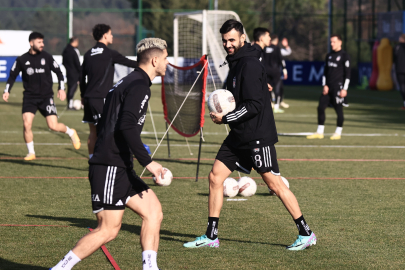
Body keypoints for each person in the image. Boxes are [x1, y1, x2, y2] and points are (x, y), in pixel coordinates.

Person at [183, 19, 316, 251]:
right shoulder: (237, 61)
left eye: (232, 40)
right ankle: (211, 235)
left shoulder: (249, 64)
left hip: (257, 135)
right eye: (225, 41)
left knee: (274, 185)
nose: (228, 44)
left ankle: (306, 233)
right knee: (215, 178)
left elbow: (254, 105)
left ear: (242, 38)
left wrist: (225, 118)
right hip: (239, 136)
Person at [49, 38, 168, 270]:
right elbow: (126, 126)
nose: (166, 63)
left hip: (119, 165)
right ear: (155, 60)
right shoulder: (139, 85)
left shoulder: (128, 81)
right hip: (110, 166)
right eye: (164, 59)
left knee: (153, 212)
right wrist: (150, 163)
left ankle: (150, 267)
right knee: (108, 230)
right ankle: (60, 268)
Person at [2, 32, 81, 160]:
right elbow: (12, 76)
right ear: (31, 43)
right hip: (29, 97)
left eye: (43, 42)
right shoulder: (22, 59)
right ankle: (31, 152)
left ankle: (71, 132)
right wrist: (7, 91)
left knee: (53, 126)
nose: (42, 44)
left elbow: (59, 73)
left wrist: (61, 88)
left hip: (46, 97)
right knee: (26, 124)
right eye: (39, 42)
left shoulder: (47, 57)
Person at [81, 24, 138, 159]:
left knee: (93, 132)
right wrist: (147, 65)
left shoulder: (88, 54)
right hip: (100, 98)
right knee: (106, 132)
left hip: (89, 98)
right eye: (111, 33)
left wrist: (83, 95)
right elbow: (129, 62)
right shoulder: (109, 53)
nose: (112, 36)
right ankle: (103, 161)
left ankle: (92, 160)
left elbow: (81, 76)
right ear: (105, 35)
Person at [307, 34, 350, 140]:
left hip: (338, 87)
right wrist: (324, 85)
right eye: (331, 42)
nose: (332, 44)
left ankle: (338, 132)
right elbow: (325, 73)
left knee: (338, 110)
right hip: (328, 87)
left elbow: (348, 74)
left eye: (334, 42)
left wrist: (345, 89)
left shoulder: (344, 56)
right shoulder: (329, 55)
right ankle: (319, 132)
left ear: (340, 42)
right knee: (320, 107)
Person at [263, 34, 288, 113]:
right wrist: (285, 71)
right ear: (276, 41)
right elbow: (281, 60)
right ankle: (276, 106)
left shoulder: (265, 48)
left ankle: (270, 103)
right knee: (277, 87)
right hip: (275, 71)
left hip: (266, 70)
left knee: (267, 87)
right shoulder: (277, 48)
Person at [62, 36, 81, 110]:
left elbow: (63, 62)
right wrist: (80, 72)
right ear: (75, 41)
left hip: (68, 72)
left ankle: (69, 103)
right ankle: (70, 105)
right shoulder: (74, 51)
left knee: (70, 87)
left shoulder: (65, 50)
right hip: (75, 73)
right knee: (73, 88)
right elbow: (77, 63)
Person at [393, 33, 405, 110]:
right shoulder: (397, 47)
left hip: (400, 70)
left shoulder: (397, 47)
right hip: (400, 70)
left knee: (402, 87)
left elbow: (394, 59)